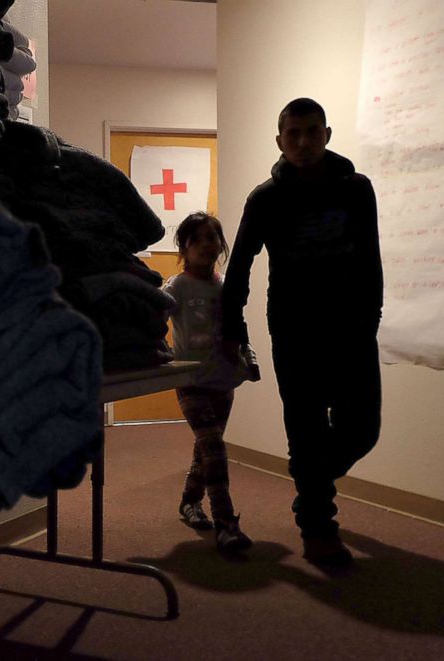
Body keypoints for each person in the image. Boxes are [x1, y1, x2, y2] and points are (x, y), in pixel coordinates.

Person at [221, 97, 383, 567]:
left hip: (352, 326)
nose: (304, 142)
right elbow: (240, 268)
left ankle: (309, 484)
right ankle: (317, 526)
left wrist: (371, 318)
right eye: (293, 134)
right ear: (280, 140)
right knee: (307, 426)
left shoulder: (357, 189)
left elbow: (371, 260)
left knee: (362, 430)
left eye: (312, 132)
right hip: (293, 329)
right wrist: (234, 328)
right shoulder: (266, 199)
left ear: (327, 135)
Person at [162, 211, 258, 552]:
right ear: (184, 246)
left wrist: (248, 358)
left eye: (212, 238)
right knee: (214, 448)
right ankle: (225, 522)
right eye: (198, 238)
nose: (207, 244)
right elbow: (153, 320)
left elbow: (237, 326)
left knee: (206, 451)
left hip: (223, 380)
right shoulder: (176, 287)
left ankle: (189, 502)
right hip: (191, 382)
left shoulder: (226, 286)